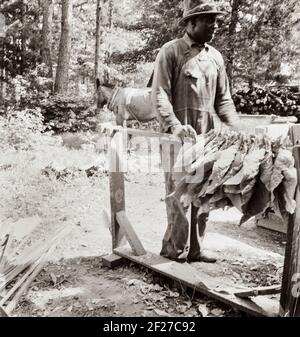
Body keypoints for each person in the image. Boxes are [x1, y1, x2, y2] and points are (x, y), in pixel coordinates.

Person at [151, 0, 241, 263]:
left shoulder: (215, 57)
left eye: (216, 20)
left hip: (207, 140)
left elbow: (224, 100)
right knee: (179, 194)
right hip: (177, 139)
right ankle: (174, 250)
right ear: (191, 23)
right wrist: (175, 127)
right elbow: (159, 95)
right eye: (209, 20)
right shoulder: (171, 52)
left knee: (203, 193)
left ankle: (196, 249)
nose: (215, 25)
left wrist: (237, 127)